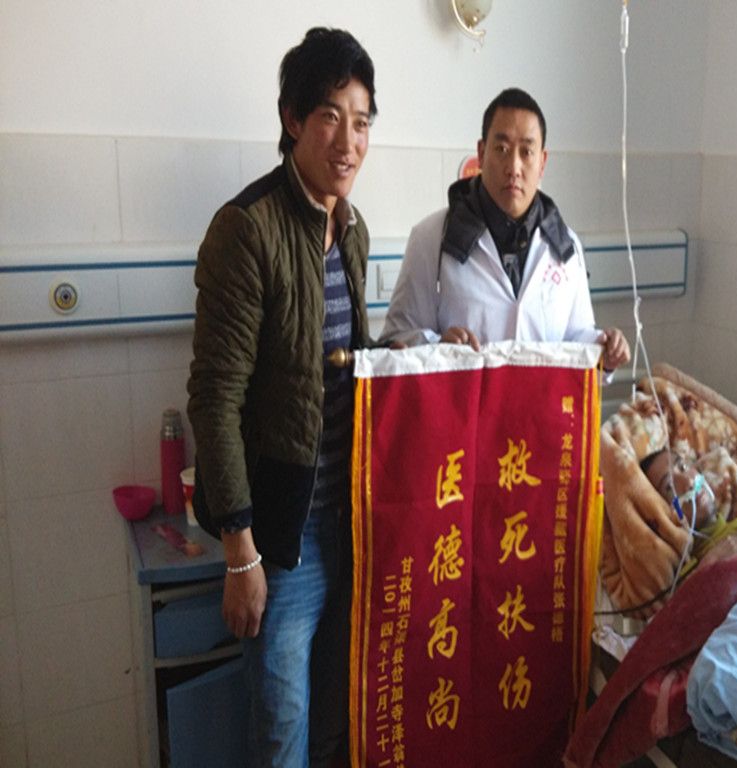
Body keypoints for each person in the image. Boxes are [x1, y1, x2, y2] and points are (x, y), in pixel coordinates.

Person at [186, 27, 376, 767]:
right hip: (281, 543)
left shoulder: (351, 231)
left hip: (350, 528)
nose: (348, 142)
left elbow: (344, 368)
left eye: (362, 121)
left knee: (337, 724)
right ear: (293, 119)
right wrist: (240, 551)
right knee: (281, 739)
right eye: (330, 116)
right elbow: (215, 399)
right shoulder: (247, 230)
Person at [380, 87, 630, 371]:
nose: (514, 167)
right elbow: (395, 341)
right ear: (481, 153)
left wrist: (603, 349)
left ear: (542, 162)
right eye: (502, 149)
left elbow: (576, 339)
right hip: (462, 400)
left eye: (527, 152)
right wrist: (438, 348)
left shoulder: (566, 246)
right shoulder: (431, 238)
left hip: (540, 401)